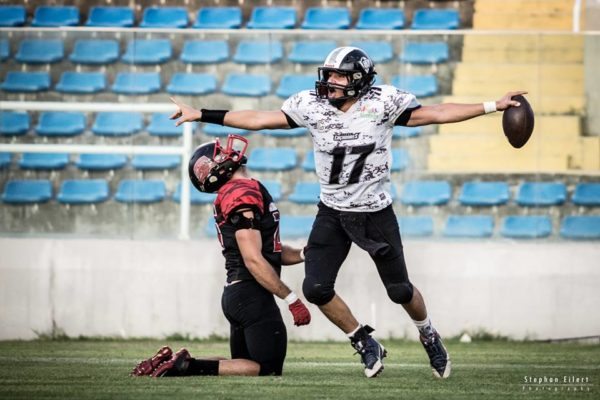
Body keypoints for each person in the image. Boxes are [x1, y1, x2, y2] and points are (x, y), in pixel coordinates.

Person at [169, 46, 526, 379]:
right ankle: (363, 340)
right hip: (333, 212)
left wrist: (492, 105)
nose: (330, 82)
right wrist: (201, 113)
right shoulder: (312, 105)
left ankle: (428, 334)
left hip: (374, 212)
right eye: (329, 74)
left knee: (400, 290)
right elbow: (259, 119)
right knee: (316, 288)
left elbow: (436, 113)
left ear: (359, 80)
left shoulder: (383, 102)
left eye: (339, 76)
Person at [131, 134, 311, 378]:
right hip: (250, 294)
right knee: (267, 369)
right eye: (218, 155)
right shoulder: (242, 191)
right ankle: (183, 368)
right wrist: (291, 299)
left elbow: (271, 251)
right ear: (214, 170)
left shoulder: (239, 190)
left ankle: (175, 362)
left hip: (239, 294)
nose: (227, 152)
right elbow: (253, 258)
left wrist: (303, 253)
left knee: (242, 364)